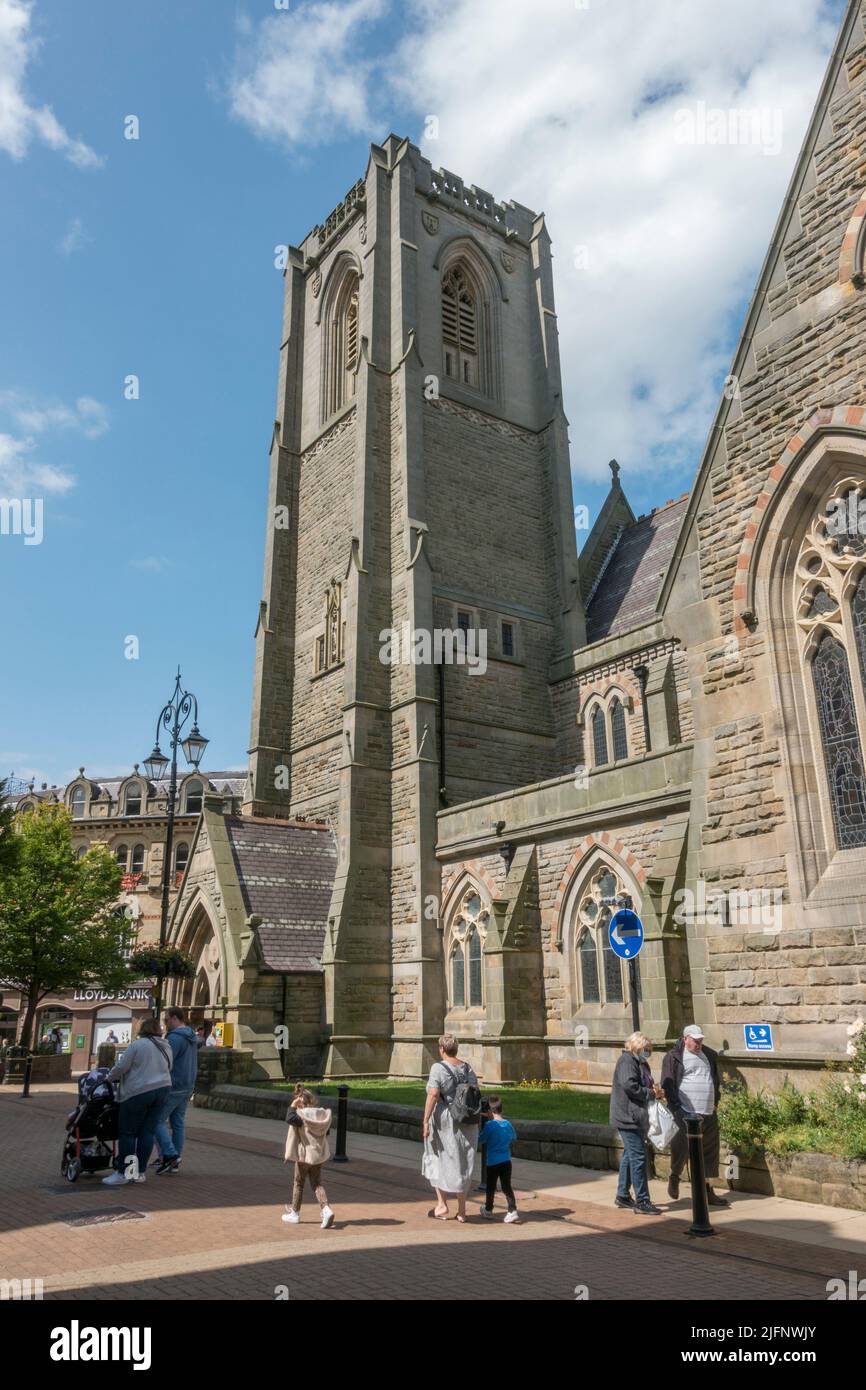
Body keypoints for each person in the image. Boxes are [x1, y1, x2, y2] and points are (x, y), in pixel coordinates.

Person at [661, 1023, 729, 1208]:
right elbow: (668, 1085)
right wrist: (677, 1108)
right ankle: (675, 1176)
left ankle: (707, 1189)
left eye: (700, 1041)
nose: (698, 1044)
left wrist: (715, 1103)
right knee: (681, 1147)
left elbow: (714, 1080)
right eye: (695, 1041)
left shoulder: (709, 1055)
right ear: (685, 1039)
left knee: (709, 1152)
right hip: (685, 1113)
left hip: (707, 1111)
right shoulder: (674, 1057)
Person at [102, 1017, 172, 1186]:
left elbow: (121, 1067)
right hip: (162, 1090)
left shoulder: (137, 1045)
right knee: (147, 1132)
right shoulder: (166, 1046)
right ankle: (139, 1172)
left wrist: (108, 1079)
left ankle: (125, 1173)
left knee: (128, 1133)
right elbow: (169, 1067)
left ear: (142, 1029)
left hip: (139, 1092)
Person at [421, 1034, 480, 1222]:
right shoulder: (468, 1068)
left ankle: (442, 1204)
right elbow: (474, 1092)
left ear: (441, 1049)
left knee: (437, 1156)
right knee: (463, 1161)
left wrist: (425, 1120)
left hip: (445, 1119)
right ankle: (462, 1211)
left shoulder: (438, 1068)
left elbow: (433, 1094)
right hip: (467, 1120)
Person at [610, 1031, 663, 1215]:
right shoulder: (627, 1061)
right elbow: (629, 1086)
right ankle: (642, 1200)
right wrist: (650, 1094)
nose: (648, 1052)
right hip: (628, 1117)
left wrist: (655, 1090)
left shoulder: (640, 1062)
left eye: (650, 1050)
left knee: (629, 1155)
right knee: (638, 1157)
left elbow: (643, 1083)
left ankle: (623, 1195)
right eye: (646, 1049)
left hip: (636, 1116)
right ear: (637, 1047)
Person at [152, 1007, 198, 1175]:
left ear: (174, 1018)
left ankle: (170, 1155)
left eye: (166, 1020)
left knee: (156, 1120)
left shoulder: (174, 1038)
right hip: (187, 1085)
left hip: (174, 1085)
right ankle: (175, 1160)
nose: (165, 1024)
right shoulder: (191, 1036)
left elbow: (166, 1063)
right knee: (177, 1123)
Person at [281, 1084, 335, 1228]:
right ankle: (326, 1209)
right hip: (317, 1156)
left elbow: (289, 1117)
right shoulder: (321, 1116)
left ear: (300, 1101)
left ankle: (295, 1213)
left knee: (299, 1183)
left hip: (304, 1155)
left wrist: (293, 1105)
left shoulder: (301, 1116)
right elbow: (326, 1133)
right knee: (317, 1183)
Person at [478, 1097, 519, 1223]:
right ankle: (512, 1210)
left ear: (489, 1111)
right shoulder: (507, 1124)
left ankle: (488, 1209)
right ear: (501, 1109)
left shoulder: (490, 1125)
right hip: (506, 1161)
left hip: (492, 1162)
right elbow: (514, 1137)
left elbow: (481, 1139)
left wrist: (480, 1128)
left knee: (490, 1187)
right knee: (507, 1186)